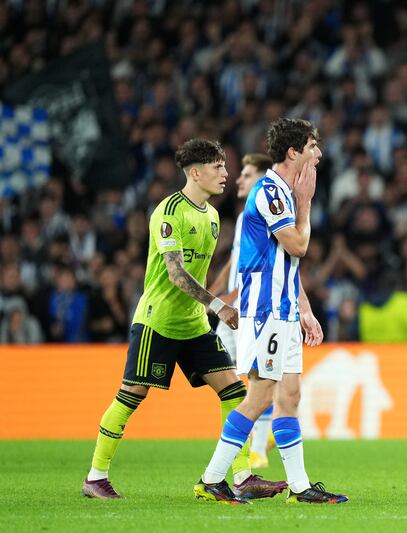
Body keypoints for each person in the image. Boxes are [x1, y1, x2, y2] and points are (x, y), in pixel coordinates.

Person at [82, 139, 286, 501]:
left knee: (234, 391)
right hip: (157, 320)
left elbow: (201, 274)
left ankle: (241, 476)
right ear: (195, 172)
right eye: (218, 167)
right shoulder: (168, 211)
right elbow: (176, 274)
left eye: (225, 167)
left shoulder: (211, 218)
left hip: (193, 324)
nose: (226, 174)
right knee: (133, 393)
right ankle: (96, 476)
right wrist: (219, 304)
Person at [194, 118, 347, 504]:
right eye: (313, 146)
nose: (319, 154)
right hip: (265, 311)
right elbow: (296, 246)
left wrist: (304, 309)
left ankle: (299, 487)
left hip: (284, 309)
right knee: (261, 396)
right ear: (294, 152)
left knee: (290, 396)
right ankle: (212, 477)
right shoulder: (271, 192)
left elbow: (287, 264)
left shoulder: (284, 191)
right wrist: (306, 205)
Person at [207, 153, 277, 469]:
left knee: (251, 380)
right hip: (233, 309)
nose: (239, 179)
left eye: (247, 175)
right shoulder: (243, 218)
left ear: (262, 179)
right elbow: (234, 263)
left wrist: (226, 297)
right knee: (244, 381)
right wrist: (215, 291)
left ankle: (255, 450)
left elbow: (262, 267)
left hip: (249, 310)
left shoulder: (263, 217)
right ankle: (251, 446)